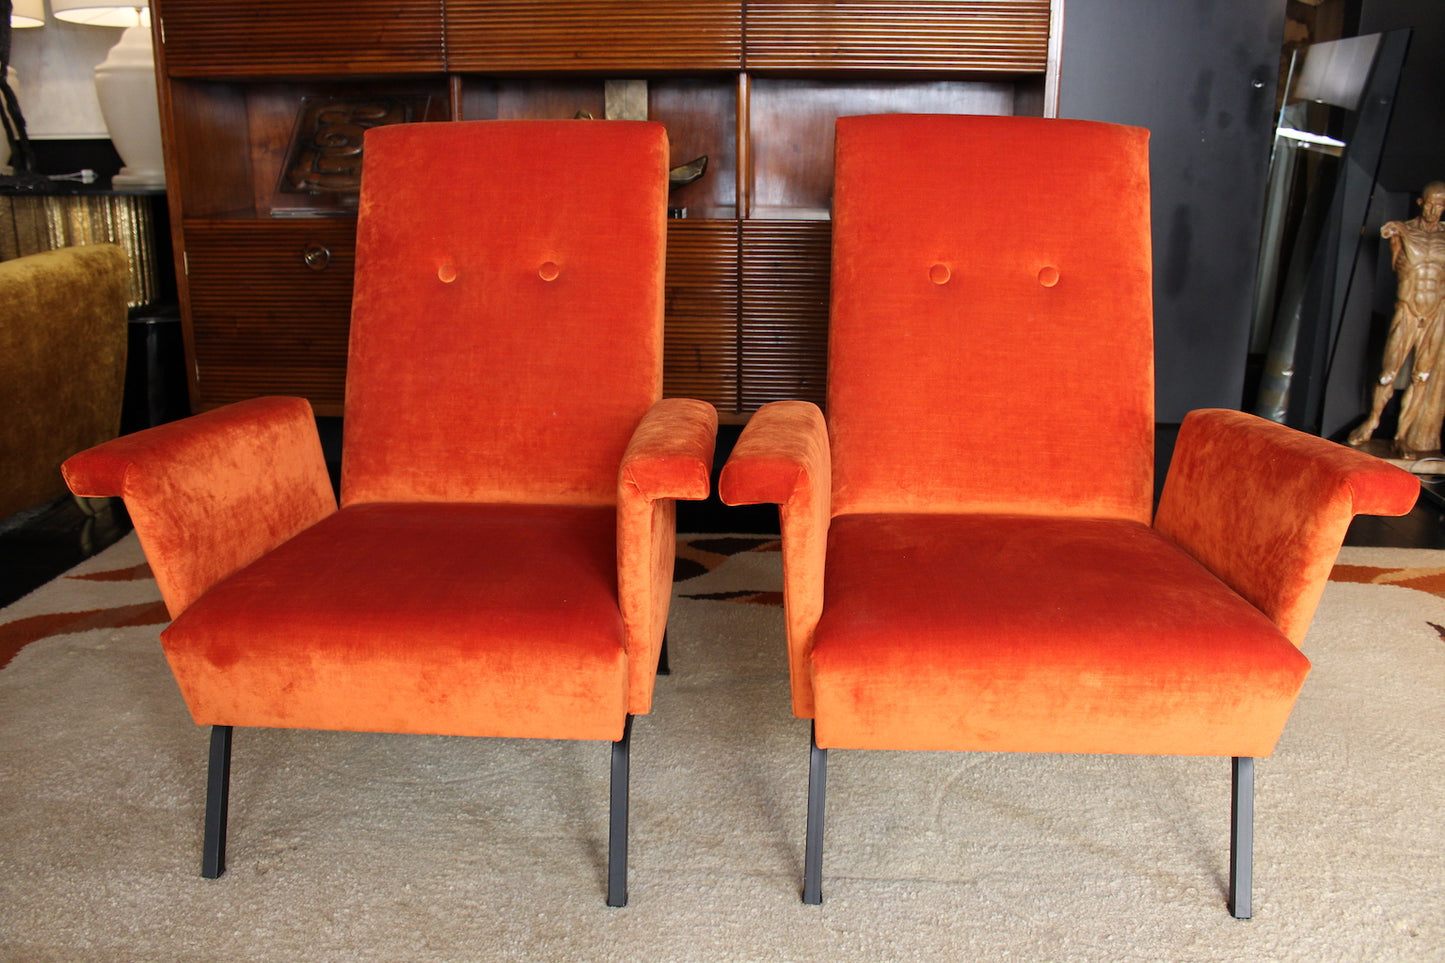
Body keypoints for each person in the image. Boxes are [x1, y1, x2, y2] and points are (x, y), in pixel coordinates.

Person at [1349, 181, 1445, 456]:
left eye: (1440, 205)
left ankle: (1401, 436)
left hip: (1436, 311)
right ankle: (1372, 422)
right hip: (1407, 309)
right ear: (1420, 202)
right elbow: (1395, 267)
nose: (1433, 210)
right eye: (1429, 203)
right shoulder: (1401, 231)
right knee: (1388, 373)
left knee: (1421, 377)